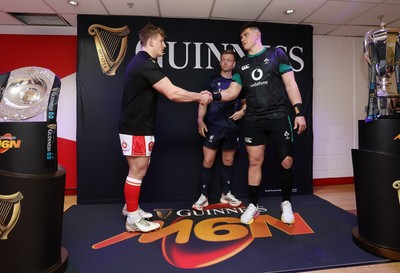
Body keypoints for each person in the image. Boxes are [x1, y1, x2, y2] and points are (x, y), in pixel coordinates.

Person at [207, 23, 307, 225]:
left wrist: (299, 112)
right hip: (253, 119)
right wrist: (213, 96)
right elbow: (232, 92)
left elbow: (291, 84)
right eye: (240, 36)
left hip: (278, 116)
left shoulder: (277, 54)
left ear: (257, 35)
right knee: (254, 162)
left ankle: (286, 202)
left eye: (245, 34)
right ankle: (253, 206)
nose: (242, 38)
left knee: (286, 160)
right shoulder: (241, 64)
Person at [118, 23, 212, 233]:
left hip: (137, 126)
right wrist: (200, 96)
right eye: (162, 41)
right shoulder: (144, 63)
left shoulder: (143, 62)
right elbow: (172, 93)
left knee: (139, 168)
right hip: (136, 127)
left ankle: (130, 208)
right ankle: (132, 219)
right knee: (138, 170)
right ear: (151, 41)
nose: (165, 46)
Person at [192, 49, 246, 211]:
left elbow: (246, 102)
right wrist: (200, 120)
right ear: (220, 61)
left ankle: (226, 194)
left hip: (231, 127)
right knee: (207, 161)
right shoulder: (211, 81)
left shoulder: (238, 83)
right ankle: (203, 196)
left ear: (234, 63)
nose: (225, 62)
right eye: (223, 59)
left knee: (228, 161)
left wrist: (242, 112)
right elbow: (203, 102)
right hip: (213, 125)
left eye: (229, 60)